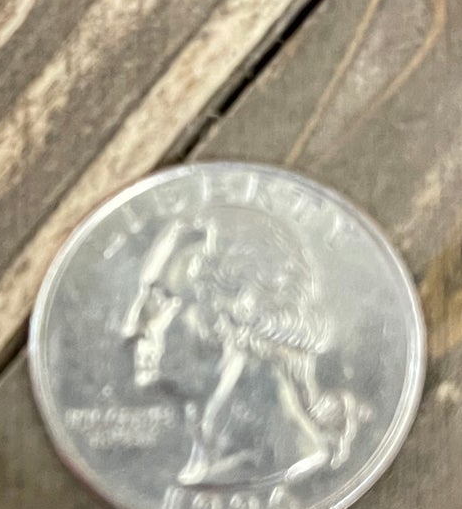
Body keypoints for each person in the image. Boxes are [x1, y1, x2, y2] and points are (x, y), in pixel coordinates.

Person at [121, 202, 366, 487]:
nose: (131, 326)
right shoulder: (210, 458)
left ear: (235, 315)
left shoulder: (274, 456)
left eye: (159, 300)